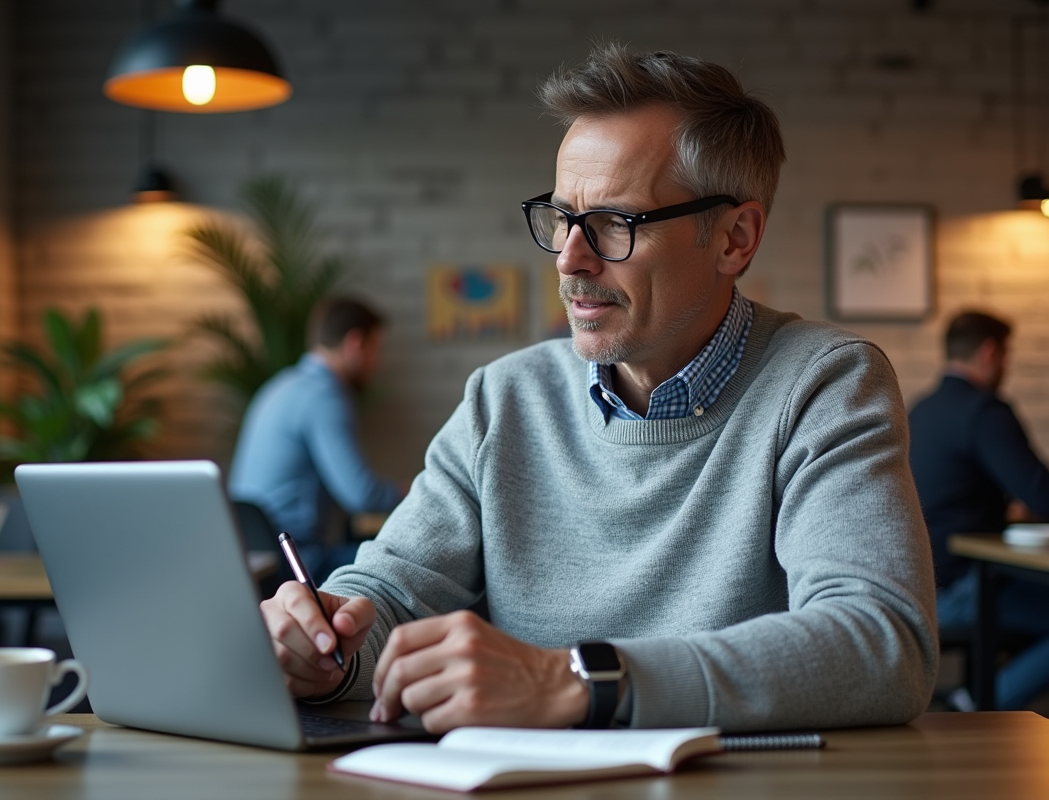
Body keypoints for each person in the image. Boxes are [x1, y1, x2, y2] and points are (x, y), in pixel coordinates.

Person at [261, 44, 937, 734]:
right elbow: (392, 592)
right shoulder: (504, 398)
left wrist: (580, 681)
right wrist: (329, 646)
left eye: (617, 223)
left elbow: (882, 642)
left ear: (735, 238)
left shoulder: (824, 383)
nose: (570, 259)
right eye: (563, 218)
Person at [908, 310, 1049, 711]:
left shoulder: (921, 409)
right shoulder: (983, 411)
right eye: (1007, 354)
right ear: (989, 352)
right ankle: (978, 702)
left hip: (921, 585)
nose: (1006, 365)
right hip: (965, 589)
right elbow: (1041, 494)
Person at [227, 297, 404, 583]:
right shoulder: (324, 395)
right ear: (355, 343)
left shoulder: (280, 385)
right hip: (297, 564)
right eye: (375, 350)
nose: (376, 363)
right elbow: (362, 495)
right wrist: (416, 490)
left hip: (255, 557)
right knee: (406, 564)